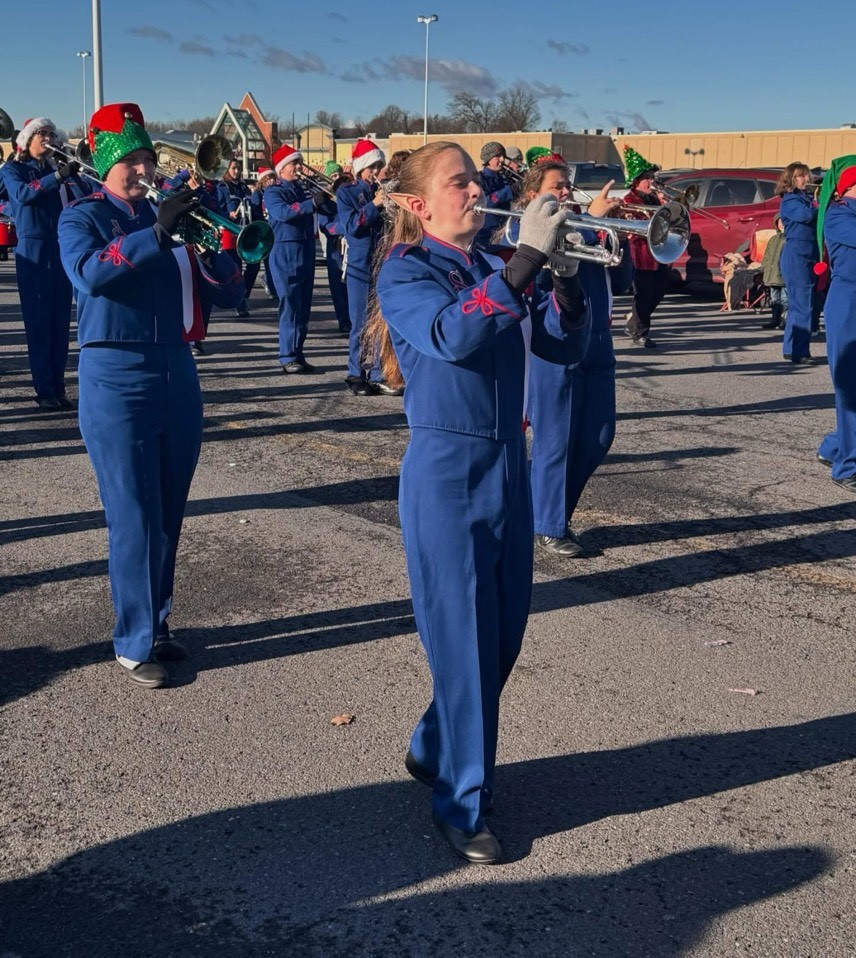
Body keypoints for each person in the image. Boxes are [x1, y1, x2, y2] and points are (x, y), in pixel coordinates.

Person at [368, 141, 591, 864]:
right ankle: (463, 804)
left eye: (473, 180)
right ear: (417, 203)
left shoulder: (493, 261)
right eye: (456, 182)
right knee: (463, 642)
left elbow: (561, 351)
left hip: (506, 463)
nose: (474, 191)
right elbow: (451, 334)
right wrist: (525, 262)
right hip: (446, 467)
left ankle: (435, 740)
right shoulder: (407, 270)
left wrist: (566, 284)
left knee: (500, 638)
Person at [57, 102, 244, 688]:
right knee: (133, 513)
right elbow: (91, 273)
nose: (142, 171)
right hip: (115, 371)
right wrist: (155, 232)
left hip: (177, 368)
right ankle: (133, 642)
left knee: (167, 508)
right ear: (104, 165)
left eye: (146, 160)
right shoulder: (81, 217)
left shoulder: (173, 216)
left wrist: (226, 254)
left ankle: (158, 623)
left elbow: (227, 296)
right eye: (130, 163)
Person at [512, 159, 620, 557]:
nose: (565, 193)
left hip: (598, 339)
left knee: (598, 436)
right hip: (555, 343)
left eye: (567, 186)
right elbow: (535, 280)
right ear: (531, 194)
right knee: (554, 440)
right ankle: (549, 524)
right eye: (557, 186)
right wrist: (591, 224)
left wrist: (610, 235)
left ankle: (542, 510)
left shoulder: (582, 226)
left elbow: (621, 281)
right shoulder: (525, 227)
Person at [0, 116, 93, 409]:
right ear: (28, 139)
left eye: (52, 133)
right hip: (33, 248)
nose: (49, 138)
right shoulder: (13, 169)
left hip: (60, 247)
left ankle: (58, 387)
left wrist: (74, 172)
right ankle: (44, 391)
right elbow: (24, 195)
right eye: (43, 133)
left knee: (59, 322)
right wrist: (59, 176)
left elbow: (87, 197)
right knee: (38, 323)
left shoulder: (56, 170)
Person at [264, 143, 329, 374]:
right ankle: (287, 355)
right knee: (290, 303)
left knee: (303, 305)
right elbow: (284, 212)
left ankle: (298, 352)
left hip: (306, 248)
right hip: (285, 251)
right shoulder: (273, 191)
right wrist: (312, 203)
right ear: (282, 168)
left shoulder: (302, 189)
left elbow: (317, 207)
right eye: (294, 163)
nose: (298, 167)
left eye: (299, 162)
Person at [815, 156, 856, 491]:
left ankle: (833, 446)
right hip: (848, 302)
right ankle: (847, 467)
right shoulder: (838, 214)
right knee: (850, 386)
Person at [337, 138, 389, 394]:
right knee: (359, 321)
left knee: (380, 320)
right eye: (373, 167)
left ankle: (379, 371)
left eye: (380, 166)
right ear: (361, 169)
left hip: (382, 261)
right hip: (359, 264)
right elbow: (352, 227)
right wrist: (376, 204)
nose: (377, 172)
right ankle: (355, 373)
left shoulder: (385, 191)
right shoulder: (346, 193)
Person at [620, 145, 668, 347]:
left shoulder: (656, 198)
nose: (652, 181)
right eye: (647, 177)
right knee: (645, 293)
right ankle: (640, 332)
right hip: (641, 254)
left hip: (659, 252)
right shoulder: (630, 199)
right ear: (637, 181)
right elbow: (636, 223)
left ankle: (634, 320)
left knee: (659, 291)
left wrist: (666, 205)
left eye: (652, 177)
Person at [776, 161, 822, 364]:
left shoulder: (807, 197)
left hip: (809, 254)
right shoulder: (790, 199)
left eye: (806, 175)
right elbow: (805, 216)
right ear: (790, 180)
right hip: (797, 255)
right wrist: (819, 205)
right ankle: (800, 351)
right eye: (800, 176)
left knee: (800, 305)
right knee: (802, 305)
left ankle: (790, 347)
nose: (805, 179)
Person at [217, 157, 254, 317]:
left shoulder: (243, 187)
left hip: (246, 228)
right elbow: (217, 209)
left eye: (238, 168)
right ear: (227, 170)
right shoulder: (222, 187)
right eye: (233, 168)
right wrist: (229, 214)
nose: (237, 171)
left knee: (254, 264)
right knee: (237, 266)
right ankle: (240, 303)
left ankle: (243, 293)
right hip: (230, 231)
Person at [316, 161, 350, 335]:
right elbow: (325, 227)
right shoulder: (324, 200)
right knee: (337, 284)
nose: (337, 179)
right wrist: (347, 226)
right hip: (335, 245)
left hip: (351, 245)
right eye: (333, 176)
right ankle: (343, 319)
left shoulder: (348, 193)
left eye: (339, 175)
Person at [475, 141, 514, 251]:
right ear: (488, 159)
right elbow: (486, 202)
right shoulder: (480, 178)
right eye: (497, 156)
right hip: (486, 234)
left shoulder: (503, 177)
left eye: (503, 156)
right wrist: (509, 191)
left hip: (505, 231)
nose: (502, 160)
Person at [250, 166, 278, 299]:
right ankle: (272, 287)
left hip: (275, 229)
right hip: (264, 229)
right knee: (268, 260)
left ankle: (270, 282)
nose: (271, 180)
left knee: (274, 260)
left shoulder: (277, 192)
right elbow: (256, 213)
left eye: (273, 177)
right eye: (268, 178)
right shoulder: (257, 194)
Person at [761, 214, 787, 330]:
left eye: (783, 222)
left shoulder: (788, 238)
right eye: (779, 222)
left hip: (783, 275)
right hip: (772, 275)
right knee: (774, 300)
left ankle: (785, 321)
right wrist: (765, 268)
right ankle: (775, 319)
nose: (781, 224)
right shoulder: (773, 239)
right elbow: (766, 256)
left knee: (785, 300)